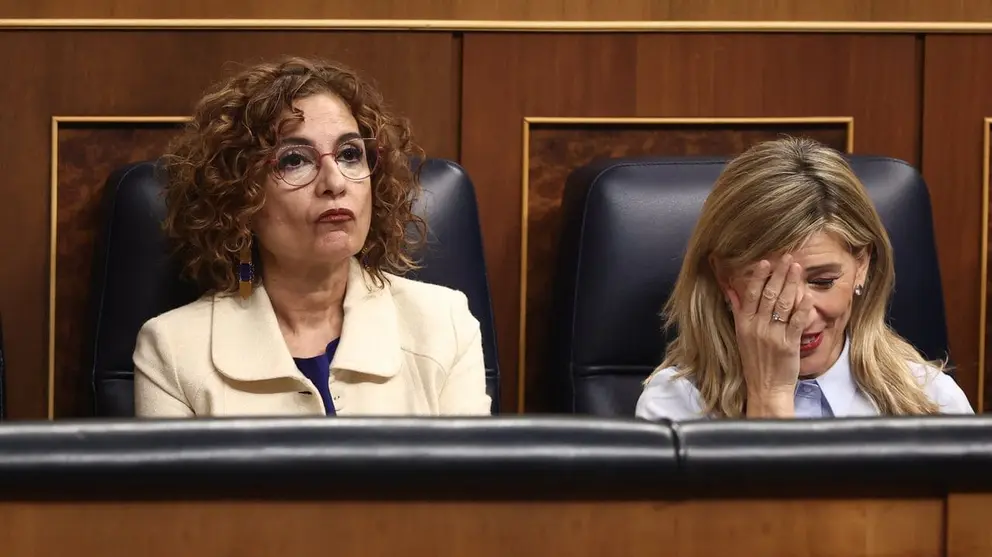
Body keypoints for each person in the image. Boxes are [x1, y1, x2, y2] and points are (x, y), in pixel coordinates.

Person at [133, 56, 491, 417]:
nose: (335, 183)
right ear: (239, 196)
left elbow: (472, 474)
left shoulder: (444, 323)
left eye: (350, 154)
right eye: (294, 160)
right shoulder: (173, 350)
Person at [635, 137, 973, 420]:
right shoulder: (674, 406)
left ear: (862, 266)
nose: (800, 314)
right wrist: (769, 396)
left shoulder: (931, 400)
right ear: (725, 278)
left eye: (823, 282)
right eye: (770, 284)